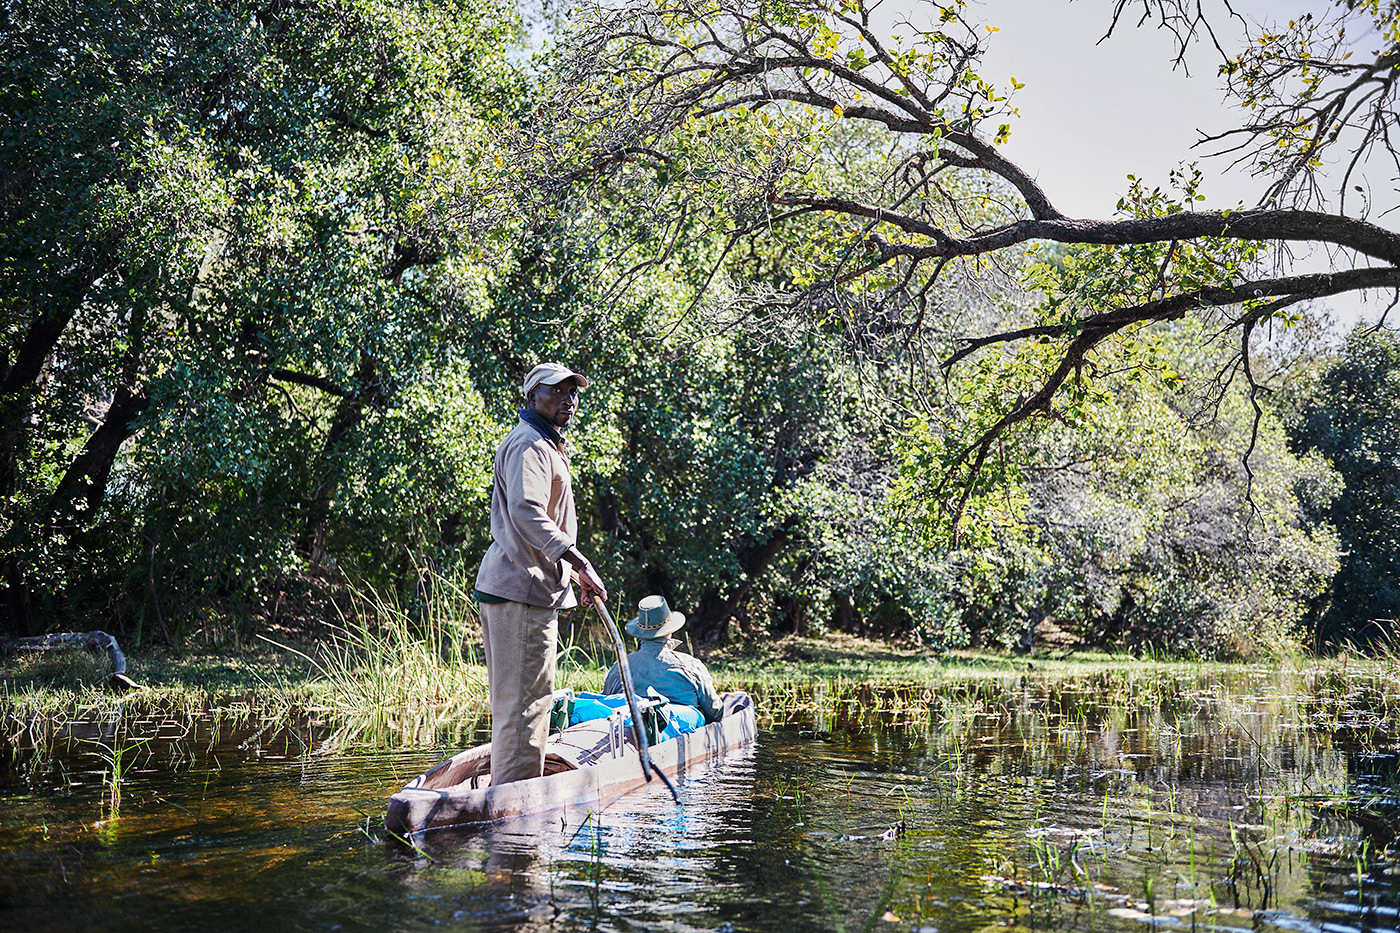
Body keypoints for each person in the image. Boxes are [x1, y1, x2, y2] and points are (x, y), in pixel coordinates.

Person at [474, 362, 608, 784]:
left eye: (574, 393)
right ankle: (513, 807)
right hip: (522, 588)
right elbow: (527, 512)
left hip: (524, 587)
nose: (569, 399)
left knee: (518, 702)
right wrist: (579, 561)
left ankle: (508, 793)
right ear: (533, 397)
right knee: (526, 705)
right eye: (557, 391)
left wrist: (570, 575)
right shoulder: (530, 445)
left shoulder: (543, 444)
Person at [603, 595, 725, 723]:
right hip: (680, 731)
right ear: (669, 630)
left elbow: (606, 702)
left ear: (640, 632)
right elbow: (714, 712)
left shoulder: (620, 666)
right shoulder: (691, 665)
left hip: (628, 730)